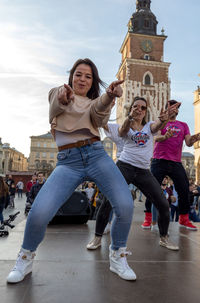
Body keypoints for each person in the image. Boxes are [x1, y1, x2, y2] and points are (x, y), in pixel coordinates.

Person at [7, 58, 136, 283]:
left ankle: (118, 255)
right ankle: (25, 257)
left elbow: (97, 114)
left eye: (88, 76)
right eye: (78, 74)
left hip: (96, 155)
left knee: (125, 205)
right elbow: (57, 103)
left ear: (93, 81)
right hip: (68, 161)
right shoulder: (58, 92)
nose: (82, 79)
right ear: (71, 76)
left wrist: (110, 96)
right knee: (39, 212)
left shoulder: (97, 102)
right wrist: (64, 97)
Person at [87, 96, 180, 251]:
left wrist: (165, 119)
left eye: (143, 108)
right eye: (136, 106)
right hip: (125, 167)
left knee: (163, 204)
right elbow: (123, 131)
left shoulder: (148, 126)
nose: (139, 109)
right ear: (130, 109)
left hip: (143, 170)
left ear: (145, 112)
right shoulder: (124, 127)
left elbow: (156, 127)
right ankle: (97, 237)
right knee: (108, 201)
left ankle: (164, 238)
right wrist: (129, 118)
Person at [142, 100, 200, 231]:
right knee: (152, 189)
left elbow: (189, 142)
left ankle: (184, 219)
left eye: (177, 108)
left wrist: (196, 137)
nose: (175, 110)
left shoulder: (183, 125)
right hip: (159, 160)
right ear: (166, 109)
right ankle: (148, 218)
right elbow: (155, 138)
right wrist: (165, 137)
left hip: (176, 162)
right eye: (172, 107)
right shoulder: (161, 123)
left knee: (184, 189)